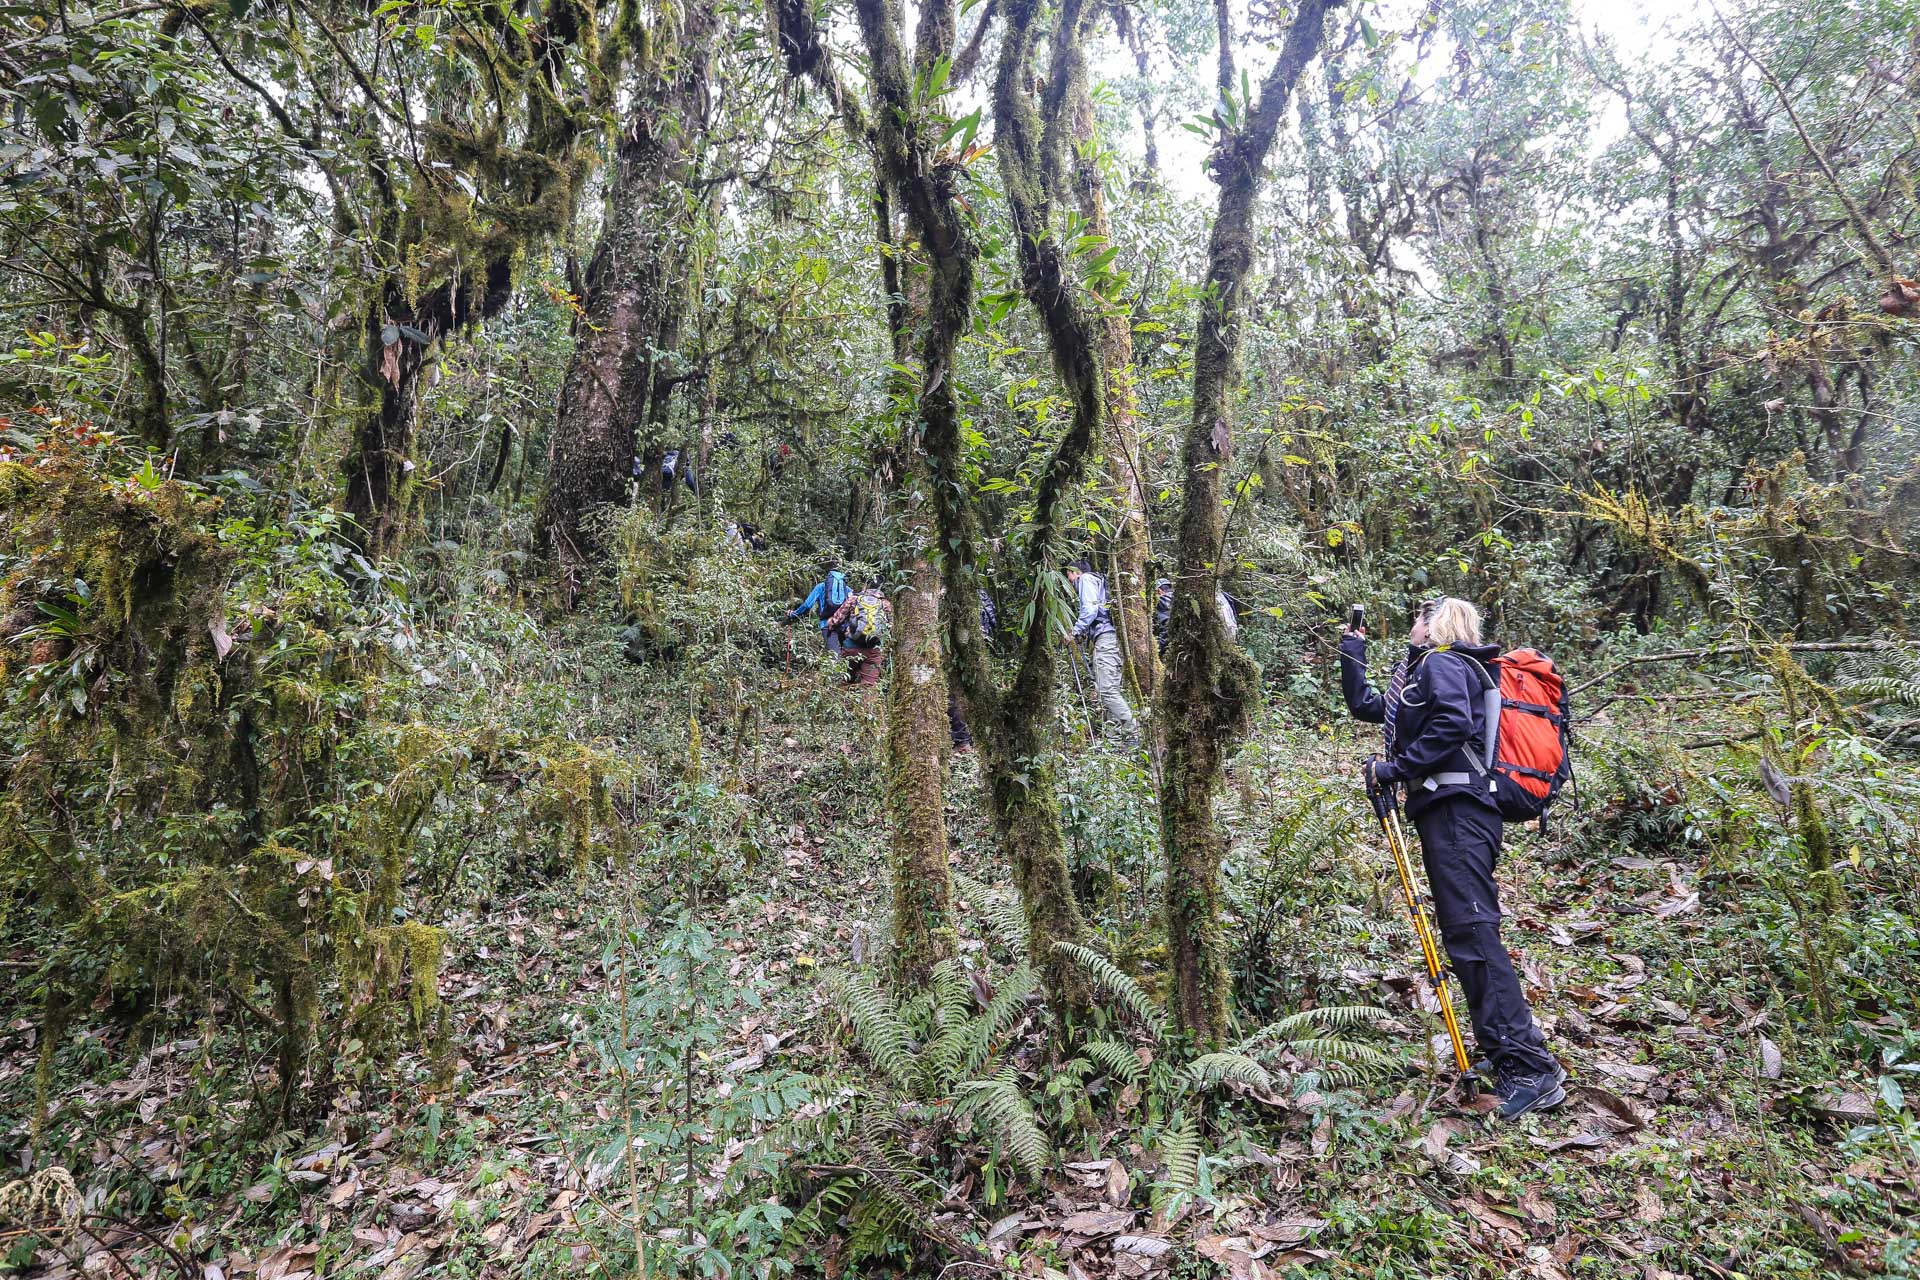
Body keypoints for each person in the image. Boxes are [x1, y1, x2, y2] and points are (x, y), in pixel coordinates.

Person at [1339, 597, 1567, 1120]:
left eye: (1418, 619)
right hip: (1452, 812)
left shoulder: (1443, 663)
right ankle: (1507, 1051)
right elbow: (1371, 707)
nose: (1412, 627)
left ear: (1435, 624)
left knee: (1472, 932)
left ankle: (1529, 1067)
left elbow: (1452, 725)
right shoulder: (1430, 672)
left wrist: (1395, 769)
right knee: (1466, 933)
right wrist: (1353, 649)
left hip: (1459, 812)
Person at [1064, 558, 1140, 748]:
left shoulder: (1086, 580)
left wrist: (1074, 632)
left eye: (1069, 576)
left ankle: (1134, 733)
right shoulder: (1096, 581)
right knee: (1110, 690)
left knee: (1107, 691)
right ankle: (1114, 742)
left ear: (1076, 572)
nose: (1070, 582)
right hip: (1109, 640)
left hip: (1106, 639)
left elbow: (1089, 610)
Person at [950, 588, 997, 751]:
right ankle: (982, 738)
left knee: (955, 693)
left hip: (962, 652)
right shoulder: (982, 593)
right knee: (977, 692)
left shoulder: (954, 592)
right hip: (981, 648)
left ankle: (963, 741)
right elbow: (993, 620)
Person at [825, 582, 890, 688]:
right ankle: (868, 703)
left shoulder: (854, 600)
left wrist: (830, 626)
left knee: (844, 680)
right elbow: (890, 627)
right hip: (873, 650)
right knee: (869, 685)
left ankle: (843, 702)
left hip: (851, 647)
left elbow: (835, 620)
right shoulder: (885, 604)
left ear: (865, 586)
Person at [1154, 577, 1240, 654]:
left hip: (1187, 648)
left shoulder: (1163, 599)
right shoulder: (1182, 596)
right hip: (1216, 642)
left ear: (1159, 591)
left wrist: (1158, 649)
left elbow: (1168, 626)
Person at [788, 564, 851, 657]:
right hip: (844, 625)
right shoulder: (847, 589)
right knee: (848, 654)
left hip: (827, 625)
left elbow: (807, 605)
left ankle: (834, 670)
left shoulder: (821, 586)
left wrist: (794, 614)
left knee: (834, 656)